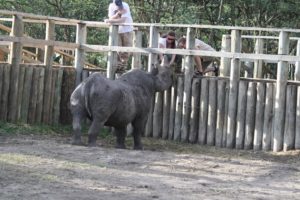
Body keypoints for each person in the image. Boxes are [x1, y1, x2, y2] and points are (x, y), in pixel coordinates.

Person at [105, 0, 133, 73]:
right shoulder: (111, 6)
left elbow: (122, 21)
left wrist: (109, 21)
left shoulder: (125, 5)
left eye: (120, 6)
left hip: (127, 30)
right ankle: (118, 68)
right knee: (118, 51)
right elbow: (111, 18)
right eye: (118, 6)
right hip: (117, 30)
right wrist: (117, 14)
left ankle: (122, 67)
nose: (119, 7)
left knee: (126, 51)